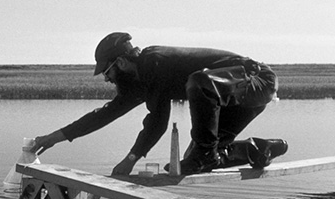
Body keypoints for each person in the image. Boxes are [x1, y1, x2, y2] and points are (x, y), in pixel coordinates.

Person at [31, 32, 287, 175]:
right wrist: (54, 137)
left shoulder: (154, 63)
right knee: (197, 159)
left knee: (198, 83)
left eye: (107, 72)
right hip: (233, 96)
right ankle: (259, 149)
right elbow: (104, 115)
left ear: (120, 63)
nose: (107, 79)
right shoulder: (139, 81)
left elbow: (157, 121)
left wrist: (130, 159)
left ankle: (205, 154)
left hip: (255, 81)